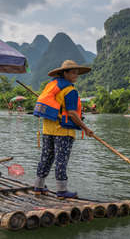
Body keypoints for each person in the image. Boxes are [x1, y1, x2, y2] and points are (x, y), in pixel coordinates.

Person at [33, 60, 94, 199]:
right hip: (63, 131)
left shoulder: (52, 86)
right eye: (73, 72)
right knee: (61, 160)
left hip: (48, 129)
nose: (76, 75)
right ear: (64, 73)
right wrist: (85, 128)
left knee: (46, 158)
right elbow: (72, 113)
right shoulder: (70, 90)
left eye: (77, 73)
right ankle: (62, 191)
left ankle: (38, 186)